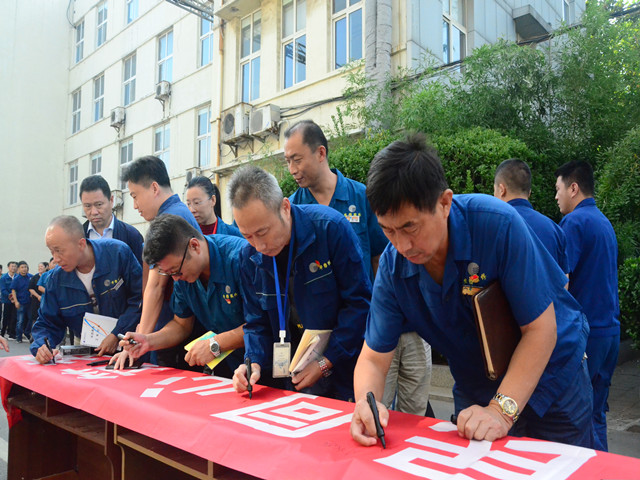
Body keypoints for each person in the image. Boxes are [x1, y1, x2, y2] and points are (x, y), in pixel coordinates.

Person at [350, 135, 594, 448]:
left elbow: (541, 330)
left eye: (410, 227)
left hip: (553, 377)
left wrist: (501, 412)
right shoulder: (393, 267)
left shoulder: (496, 225)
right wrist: (365, 405)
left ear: (444, 203)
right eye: (388, 230)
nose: (402, 245)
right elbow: (372, 359)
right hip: (477, 385)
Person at [229, 166, 371, 401]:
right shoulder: (248, 257)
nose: (259, 246)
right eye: (247, 236)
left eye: (263, 232)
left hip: (343, 373)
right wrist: (252, 362)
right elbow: (256, 323)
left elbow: (359, 304)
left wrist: (326, 362)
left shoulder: (330, 229)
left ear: (285, 208)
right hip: (286, 382)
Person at [113, 215, 247, 377]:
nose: (175, 278)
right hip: (231, 367)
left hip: (264, 363)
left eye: (176, 271)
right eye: (169, 274)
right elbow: (181, 324)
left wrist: (215, 344)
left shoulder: (240, 259)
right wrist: (148, 341)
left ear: (194, 246)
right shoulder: (184, 274)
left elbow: (260, 324)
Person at [555, 160, 619, 451]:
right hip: (609, 332)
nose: (556, 197)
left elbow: (561, 280)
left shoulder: (574, 223)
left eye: (558, 189)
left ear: (574, 188)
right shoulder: (604, 223)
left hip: (587, 335)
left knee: (577, 417)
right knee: (596, 414)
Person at [121, 155, 200, 367]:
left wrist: (136, 345)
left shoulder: (170, 220)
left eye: (135, 196)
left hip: (174, 328)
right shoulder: (177, 212)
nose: (135, 205)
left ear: (154, 188)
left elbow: (156, 286)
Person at [285, 120, 388, 281]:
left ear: (320, 153)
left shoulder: (361, 196)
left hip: (361, 304)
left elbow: (378, 257)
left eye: (297, 160)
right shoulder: (292, 209)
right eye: (288, 161)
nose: (292, 170)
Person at [30, 216, 142, 362]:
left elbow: (140, 298)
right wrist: (41, 346)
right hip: (87, 356)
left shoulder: (118, 254)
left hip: (130, 348)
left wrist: (117, 334)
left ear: (81, 244)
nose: (55, 259)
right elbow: (48, 322)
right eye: (51, 251)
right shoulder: (55, 280)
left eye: (59, 251)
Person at [494, 159, 569, 273]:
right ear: (529, 193)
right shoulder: (554, 230)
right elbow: (564, 284)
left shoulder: (493, 226)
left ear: (501, 190)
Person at [80, 175, 145, 265]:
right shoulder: (78, 237)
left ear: (111, 200)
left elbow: (141, 275)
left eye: (99, 204)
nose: (94, 212)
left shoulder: (131, 236)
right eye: (87, 206)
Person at [11, 261, 32, 343]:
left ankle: (26, 332)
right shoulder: (16, 279)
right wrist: (16, 302)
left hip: (30, 302)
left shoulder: (30, 277)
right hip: (20, 302)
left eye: (25, 267)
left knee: (31, 319)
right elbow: (13, 291)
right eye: (22, 267)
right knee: (20, 321)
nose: (24, 269)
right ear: (19, 269)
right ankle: (18, 337)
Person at [28, 262, 47, 339]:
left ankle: (44, 336)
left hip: (46, 301)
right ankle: (33, 335)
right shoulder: (34, 277)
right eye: (39, 266)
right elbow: (30, 288)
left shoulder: (48, 276)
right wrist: (38, 296)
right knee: (35, 318)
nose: (40, 268)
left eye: (41, 266)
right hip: (36, 301)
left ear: (46, 267)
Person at [0, 261, 18, 339]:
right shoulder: (3, 278)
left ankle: (12, 334)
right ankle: (2, 333)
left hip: (16, 301)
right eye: (12, 266)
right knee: (5, 317)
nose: (13, 268)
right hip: (6, 300)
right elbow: (3, 289)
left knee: (14, 317)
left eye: (15, 266)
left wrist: (15, 298)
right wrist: (10, 296)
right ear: (8, 267)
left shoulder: (17, 277)